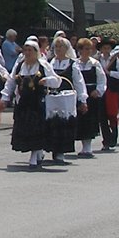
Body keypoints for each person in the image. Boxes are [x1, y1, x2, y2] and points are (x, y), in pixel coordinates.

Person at [1, 37, 61, 168]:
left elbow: (57, 81)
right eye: (25, 50)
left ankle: (34, 156)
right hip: (23, 103)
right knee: (25, 129)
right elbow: (11, 82)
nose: (27, 53)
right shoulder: (20, 66)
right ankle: (38, 152)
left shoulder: (43, 65)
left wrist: (47, 80)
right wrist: (4, 98)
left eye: (30, 50)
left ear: (36, 51)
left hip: (37, 103)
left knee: (36, 129)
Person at [46, 34, 87, 162]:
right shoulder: (49, 63)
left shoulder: (72, 64)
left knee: (64, 125)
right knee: (51, 124)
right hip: (51, 99)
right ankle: (50, 149)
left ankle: (61, 152)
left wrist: (82, 100)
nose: (58, 49)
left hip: (66, 100)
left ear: (67, 48)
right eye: (56, 46)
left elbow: (79, 82)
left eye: (61, 46)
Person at [74, 37, 105, 158]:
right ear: (80, 50)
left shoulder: (95, 63)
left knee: (90, 120)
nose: (88, 51)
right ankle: (83, 145)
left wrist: (98, 90)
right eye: (86, 49)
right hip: (80, 94)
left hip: (92, 94)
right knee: (81, 120)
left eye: (90, 49)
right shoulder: (75, 64)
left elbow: (102, 79)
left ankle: (88, 147)